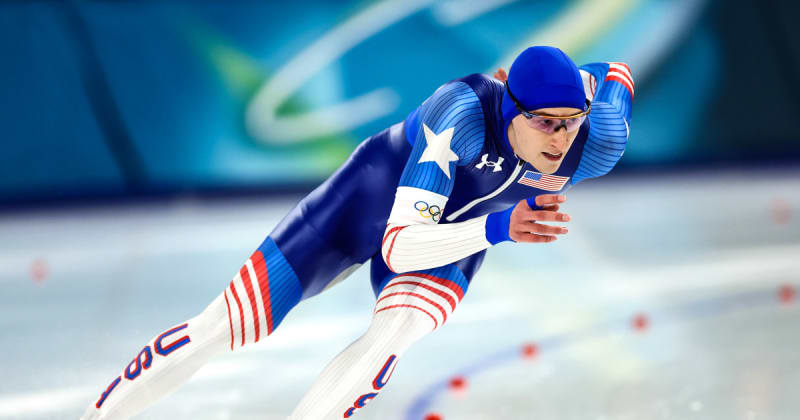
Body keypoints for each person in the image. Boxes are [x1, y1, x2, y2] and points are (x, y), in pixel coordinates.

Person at [81, 45, 634, 419]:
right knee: (225, 325)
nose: (560, 138)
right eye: (543, 121)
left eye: (570, 121)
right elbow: (400, 243)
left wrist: (577, 83)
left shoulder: (599, 139)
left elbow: (615, 75)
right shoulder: (461, 113)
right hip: (368, 201)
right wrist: (497, 227)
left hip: (459, 235)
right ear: (508, 103)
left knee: (391, 337)